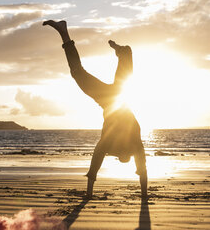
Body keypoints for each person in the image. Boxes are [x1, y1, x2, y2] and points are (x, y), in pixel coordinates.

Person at [43, 20, 148, 199]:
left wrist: (89, 193)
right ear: (126, 154)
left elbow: (139, 171)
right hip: (112, 100)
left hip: (115, 98)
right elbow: (139, 170)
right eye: (124, 157)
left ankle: (123, 53)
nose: (121, 156)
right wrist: (89, 193)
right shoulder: (129, 144)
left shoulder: (122, 145)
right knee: (78, 72)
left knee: (82, 73)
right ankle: (123, 52)